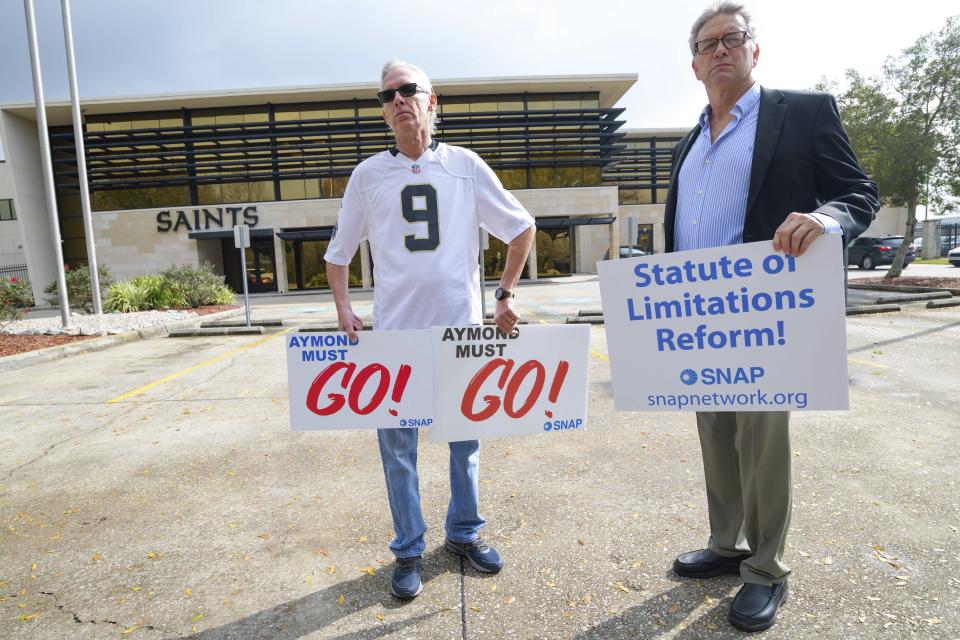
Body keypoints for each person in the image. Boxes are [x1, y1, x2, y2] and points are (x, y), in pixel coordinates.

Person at [664, 2, 879, 632]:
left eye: (734, 38)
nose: (721, 49)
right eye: (709, 44)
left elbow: (858, 194)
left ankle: (765, 569)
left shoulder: (803, 113)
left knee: (762, 440)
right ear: (695, 65)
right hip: (698, 315)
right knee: (717, 435)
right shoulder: (688, 140)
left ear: (755, 50)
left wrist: (825, 219)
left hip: (766, 311)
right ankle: (727, 545)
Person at [324, 60, 535, 600]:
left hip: (459, 335)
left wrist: (506, 293)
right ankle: (408, 549)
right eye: (388, 94)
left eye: (408, 90)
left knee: (464, 444)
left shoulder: (464, 166)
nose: (399, 99)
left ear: (432, 101)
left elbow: (520, 227)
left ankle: (464, 534)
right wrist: (344, 307)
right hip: (394, 339)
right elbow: (338, 253)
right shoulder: (368, 175)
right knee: (399, 452)